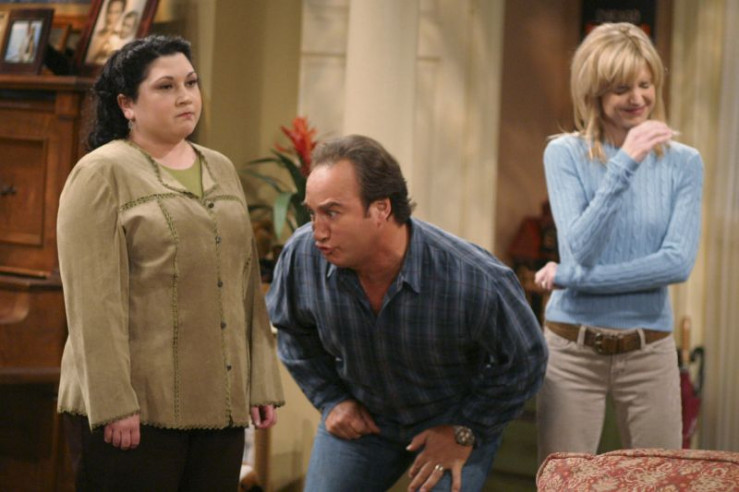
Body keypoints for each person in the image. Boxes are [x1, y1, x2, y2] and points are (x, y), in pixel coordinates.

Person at [56, 35, 284, 491]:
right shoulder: (101, 173)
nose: (185, 97)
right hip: (136, 412)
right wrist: (115, 403)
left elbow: (244, 286)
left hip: (219, 409)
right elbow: (93, 303)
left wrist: (260, 381)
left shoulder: (220, 168)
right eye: (166, 86)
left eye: (191, 83)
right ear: (127, 104)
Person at [267, 134, 548, 491]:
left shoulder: (472, 277)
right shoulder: (303, 256)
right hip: (364, 416)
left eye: (332, 213)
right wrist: (331, 400)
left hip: (452, 418)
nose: (317, 231)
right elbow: (291, 330)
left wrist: (466, 429)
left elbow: (526, 359)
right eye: (313, 213)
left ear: (381, 209)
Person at [534, 22, 703, 462]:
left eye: (645, 84)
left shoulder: (685, 163)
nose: (638, 98)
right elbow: (580, 249)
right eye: (621, 88)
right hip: (572, 349)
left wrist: (573, 278)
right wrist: (624, 164)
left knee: (658, 479)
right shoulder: (563, 154)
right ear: (594, 93)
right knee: (565, 482)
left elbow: (676, 264)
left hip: (649, 349)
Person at [86, 0, 126, 65]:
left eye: (116, 12)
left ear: (122, 14)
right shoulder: (97, 36)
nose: (111, 16)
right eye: (110, 12)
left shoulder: (121, 39)